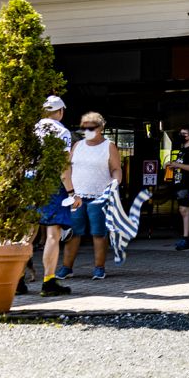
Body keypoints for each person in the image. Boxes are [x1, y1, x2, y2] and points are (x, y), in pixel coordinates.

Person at [58, 112, 122, 281]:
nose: (87, 130)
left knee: (99, 233)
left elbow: (116, 168)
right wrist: (70, 189)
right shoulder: (77, 145)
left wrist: (115, 184)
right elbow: (68, 167)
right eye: (84, 127)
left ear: (101, 128)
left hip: (100, 195)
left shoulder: (109, 146)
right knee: (73, 233)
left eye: (91, 128)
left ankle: (99, 268)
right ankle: (66, 267)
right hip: (77, 195)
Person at [33, 96, 81, 297]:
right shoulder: (62, 132)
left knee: (27, 234)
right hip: (52, 184)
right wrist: (72, 192)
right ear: (60, 111)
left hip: (30, 181)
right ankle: (48, 281)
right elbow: (63, 167)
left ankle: (17, 281)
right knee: (53, 235)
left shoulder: (32, 129)